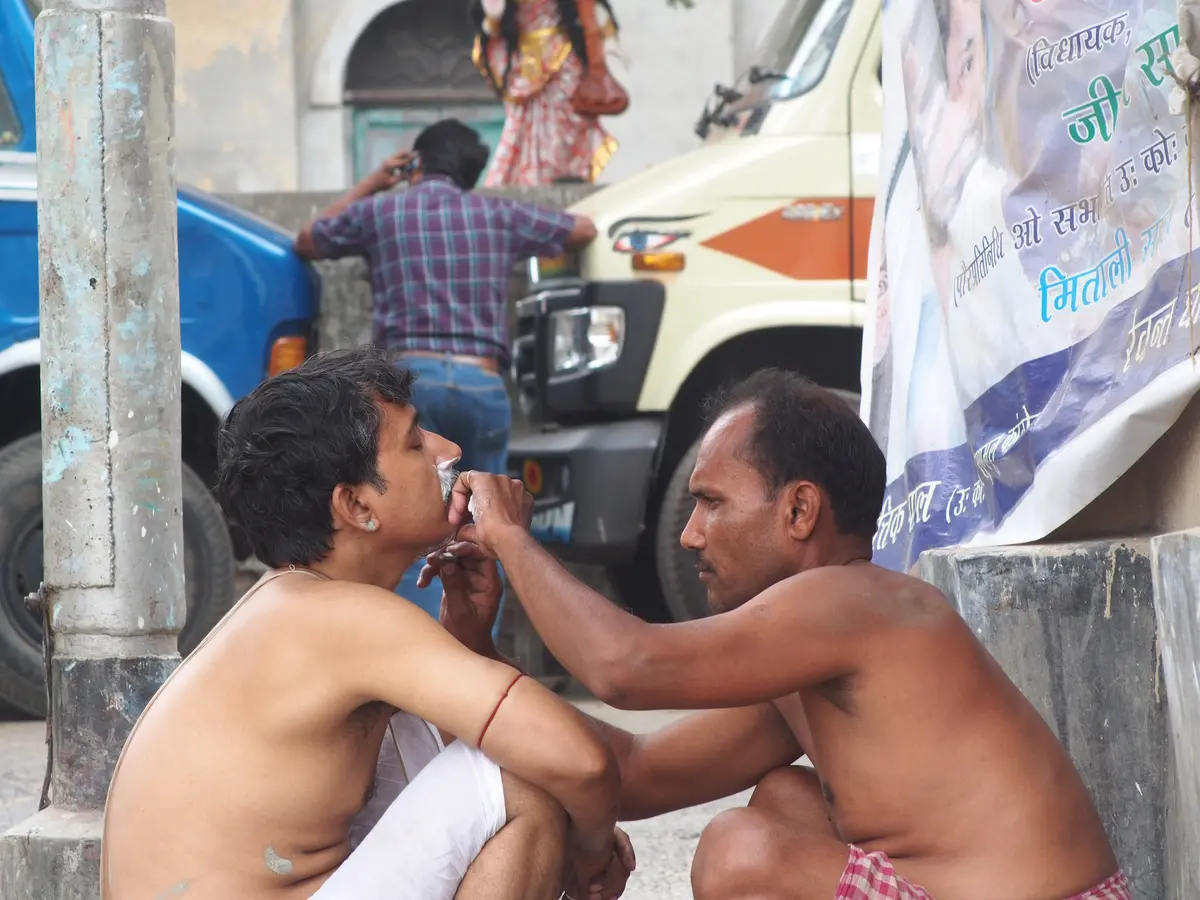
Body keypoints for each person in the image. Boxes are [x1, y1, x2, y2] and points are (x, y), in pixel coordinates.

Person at [430, 368, 1131, 900]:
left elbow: (625, 667)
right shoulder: (809, 649)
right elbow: (635, 775)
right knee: (784, 799)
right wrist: (477, 644)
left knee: (742, 851)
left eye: (710, 502)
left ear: (799, 510)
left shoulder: (853, 602)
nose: (689, 533)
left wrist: (513, 541)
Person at [100, 347, 634, 900]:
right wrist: (588, 856)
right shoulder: (343, 619)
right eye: (416, 440)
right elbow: (581, 763)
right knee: (522, 777)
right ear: (356, 506)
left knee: (463, 747)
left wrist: (470, 640)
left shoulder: (297, 605)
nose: (449, 452)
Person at [294, 118, 598, 627]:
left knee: (412, 520)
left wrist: (375, 181)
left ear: (418, 163)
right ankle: (479, 651)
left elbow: (307, 241)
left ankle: (415, 658)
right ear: (468, 172)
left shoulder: (381, 211)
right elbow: (583, 229)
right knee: (487, 523)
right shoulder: (497, 214)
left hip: (411, 390)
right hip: (483, 385)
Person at [470, 0, 623, 186]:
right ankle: (528, 179)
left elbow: (590, 9)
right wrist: (493, 18)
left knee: (564, 123)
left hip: (562, 59)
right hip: (523, 62)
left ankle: (565, 173)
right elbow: (493, 24)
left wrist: (607, 44)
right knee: (522, 123)